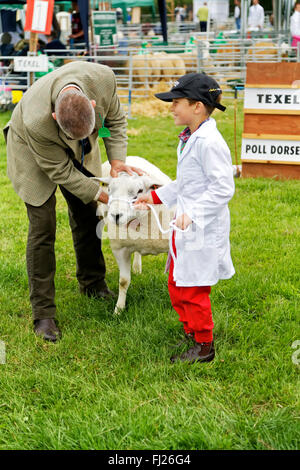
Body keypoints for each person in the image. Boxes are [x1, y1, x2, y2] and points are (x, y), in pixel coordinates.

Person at [4, 61, 143, 343]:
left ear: (93, 104)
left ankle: (92, 283)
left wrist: (116, 163)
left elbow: (114, 122)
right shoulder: (36, 122)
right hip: (31, 150)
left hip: (82, 141)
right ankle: (44, 313)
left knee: (87, 212)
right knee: (43, 226)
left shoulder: (104, 81)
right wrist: (104, 195)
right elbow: (62, 172)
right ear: (55, 117)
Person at [134, 73, 235, 364]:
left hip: (201, 227)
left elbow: (223, 187)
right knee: (177, 284)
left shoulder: (209, 142)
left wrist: (193, 214)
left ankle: (204, 346)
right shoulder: (191, 137)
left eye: (176, 102)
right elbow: (186, 183)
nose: (171, 108)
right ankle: (191, 331)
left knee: (193, 287)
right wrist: (152, 197)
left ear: (198, 107)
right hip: (185, 226)